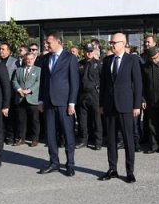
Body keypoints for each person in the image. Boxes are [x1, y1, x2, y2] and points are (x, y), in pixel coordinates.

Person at [99, 32, 142, 183]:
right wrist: (101, 104)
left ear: (123, 43)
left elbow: (137, 84)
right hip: (110, 106)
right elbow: (103, 85)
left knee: (128, 139)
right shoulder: (107, 60)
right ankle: (112, 169)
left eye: (114, 42)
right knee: (111, 140)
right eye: (111, 42)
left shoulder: (132, 60)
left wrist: (137, 105)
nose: (111, 45)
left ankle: (130, 171)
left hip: (126, 106)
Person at [38, 32, 80, 176]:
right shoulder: (45, 59)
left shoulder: (70, 58)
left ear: (58, 42)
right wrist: (41, 100)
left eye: (48, 42)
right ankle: (54, 162)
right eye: (45, 42)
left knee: (68, 134)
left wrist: (72, 103)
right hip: (49, 102)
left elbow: (74, 83)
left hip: (64, 103)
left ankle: (70, 164)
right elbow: (43, 81)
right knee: (50, 135)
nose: (46, 45)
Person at [12, 51, 40, 147]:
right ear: (24, 60)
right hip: (20, 98)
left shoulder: (38, 70)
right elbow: (14, 81)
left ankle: (34, 139)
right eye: (27, 59)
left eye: (31, 59)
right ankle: (21, 138)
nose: (29, 61)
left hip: (32, 99)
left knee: (34, 120)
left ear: (34, 59)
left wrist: (29, 90)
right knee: (21, 120)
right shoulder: (18, 70)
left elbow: (38, 82)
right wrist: (19, 89)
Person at [77, 44, 103, 150]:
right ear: (84, 52)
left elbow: (103, 80)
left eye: (91, 51)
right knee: (82, 120)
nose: (89, 53)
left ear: (94, 52)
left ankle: (98, 142)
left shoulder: (99, 64)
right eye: (87, 51)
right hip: (82, 94)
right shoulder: (79, 64)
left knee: (97, 120)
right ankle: (83, 140)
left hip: (95, 94)